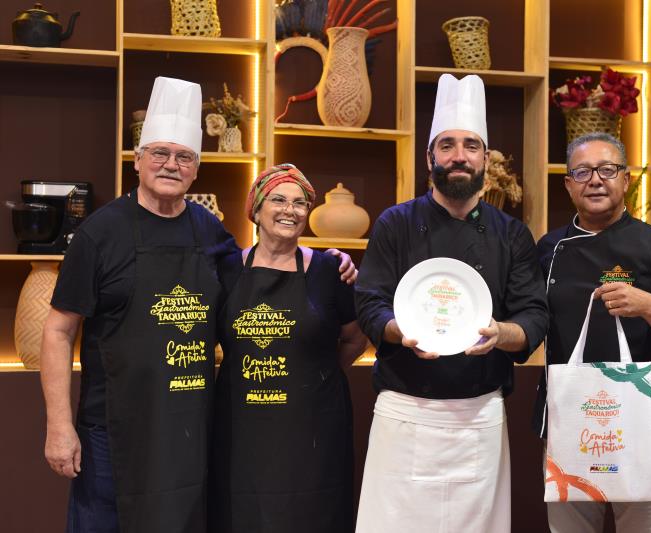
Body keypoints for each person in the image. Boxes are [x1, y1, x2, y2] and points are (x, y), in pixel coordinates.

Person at [40, 77, 356, 533]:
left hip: (191, 427)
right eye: (160, 154)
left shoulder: (210, 232)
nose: (171, 164)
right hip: (114, 429)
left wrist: (328, 260)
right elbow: (57, 330)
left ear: (196, 167)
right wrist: (58, 425)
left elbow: (261, 269)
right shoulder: (99, 234)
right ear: (137, 160)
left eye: (184, 156)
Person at [353, 74, 549, 533]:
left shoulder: (511, 234)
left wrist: (503, 334)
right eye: (447, 145)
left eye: (470, 145)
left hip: (478, 413)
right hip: (405, 410)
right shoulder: (395, 223)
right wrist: (401, 332)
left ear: (486, 159)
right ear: (430, 157)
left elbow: (534, 317)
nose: (459, 156)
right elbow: (370, 303)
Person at [533, 132, 651, 533]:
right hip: (569, 430)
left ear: (626, 179)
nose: (594, 179)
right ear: (568, 184)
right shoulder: (548, 249)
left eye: (607, 169)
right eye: (581, 172)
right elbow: (529, 321)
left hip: (643, 429)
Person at [210, 164, 367, 533]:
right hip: (241, 428)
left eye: (300, 203)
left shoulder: (331, 270)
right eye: (278, 199)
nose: (289, 210)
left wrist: (316, 374)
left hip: (313, 430)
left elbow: (356, 337)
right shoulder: (226, 268)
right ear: (256, 209)